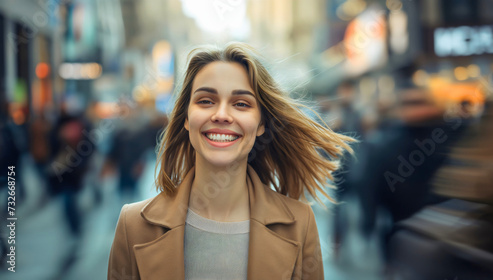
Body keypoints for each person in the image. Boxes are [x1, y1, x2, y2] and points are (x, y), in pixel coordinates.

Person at [107, 42, 354, 280]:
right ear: (185, 118)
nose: (222, 115)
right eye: (205, 101)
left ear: (261, 124)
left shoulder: (300, 224)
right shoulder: (133, 225)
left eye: (241, 104)